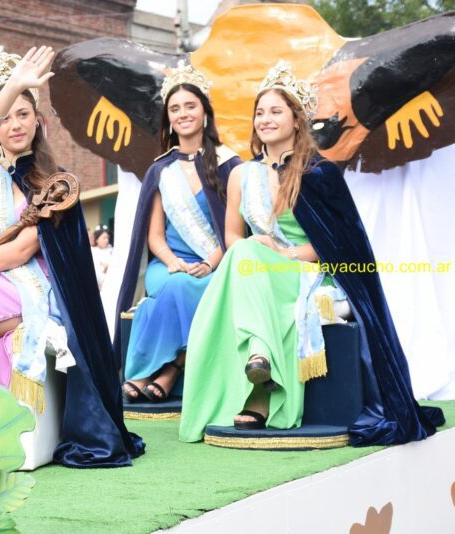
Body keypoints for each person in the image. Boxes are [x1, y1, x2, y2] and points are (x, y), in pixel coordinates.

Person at [178, 62, 443, 445]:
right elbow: (233, 236)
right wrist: (256, 250)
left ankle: (260, 385)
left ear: (296, 120)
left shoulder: (318, 172)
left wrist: (282, 253)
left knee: (245, 262)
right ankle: (259, 362)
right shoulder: (240, 174)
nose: (265, 120)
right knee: (243, 254)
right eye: (260, 112)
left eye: (275, 111)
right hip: (254, 270)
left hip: (308, 273)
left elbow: (337, 243)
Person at [0, 40, 143, 467]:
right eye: (6, 117)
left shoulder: (53, 183)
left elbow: (21, 251)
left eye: (24, 114)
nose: (15, 125)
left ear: (38, 122)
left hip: (27, 289)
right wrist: (13, 85)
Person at [116, 62, 242, 403]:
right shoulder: (161, 170)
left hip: (217, 263)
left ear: (205, 112)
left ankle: (166, 370)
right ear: (168, 118)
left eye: (190, 106)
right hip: (168, 265)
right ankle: (172, 367)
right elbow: (155, 235)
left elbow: (236, 229)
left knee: (189, 291)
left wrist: (211, 262)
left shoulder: (230, 165)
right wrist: (173, 262)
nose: (183, 114)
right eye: (175, 109)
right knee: (175, 284)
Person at [91, 225, 113, 290]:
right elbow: (96, 272)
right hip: (101, 286)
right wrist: (104, 268)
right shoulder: (93, 251)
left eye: (107, 238)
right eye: (104, 238)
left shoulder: (111, 249)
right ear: (97, 239)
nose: (106, 240)